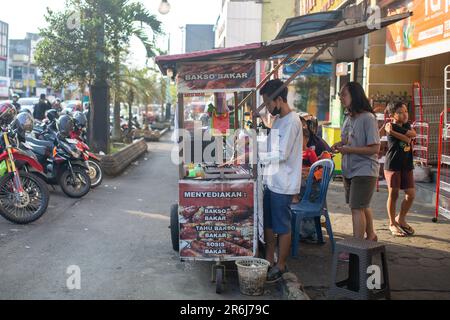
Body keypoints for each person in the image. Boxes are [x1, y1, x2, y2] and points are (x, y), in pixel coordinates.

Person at [259, 79, 302, 282]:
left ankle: (281, 265)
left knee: (282, 226)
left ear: (279, 99)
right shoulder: (277, 120)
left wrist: (256, 157)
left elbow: (282, 153)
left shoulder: (293, 121)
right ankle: (268, 259)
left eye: (268, 103)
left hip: (283, 184)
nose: (267, 108)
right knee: (268, 224)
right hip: (271, 181)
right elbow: (268, 147)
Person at [332, 82, 380, 260]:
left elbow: (374, 148)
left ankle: (356, 248)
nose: (341, 98)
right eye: (340, 95)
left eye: (343, 94)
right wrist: (339, 145)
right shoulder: (349, 117)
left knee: (356, 208)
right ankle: (371, 236)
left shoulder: (368, 118)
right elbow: (348, 141)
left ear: (355, 95)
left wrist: (349, 150)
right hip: (350, 169)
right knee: (362, 205)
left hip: (365, 170)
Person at [382, 102, 416, 237]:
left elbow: (412, 135)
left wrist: (395, 133)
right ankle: (392, 223)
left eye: (406, 111)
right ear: (392, 115)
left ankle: (400, 218)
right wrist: (395, 133)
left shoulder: (403, 126)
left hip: (407, 165)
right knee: (394, 194)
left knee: (411, 195)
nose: (405, 114)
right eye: (401, 112)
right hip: (393, 165)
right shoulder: (389, 126)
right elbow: (408, 139)